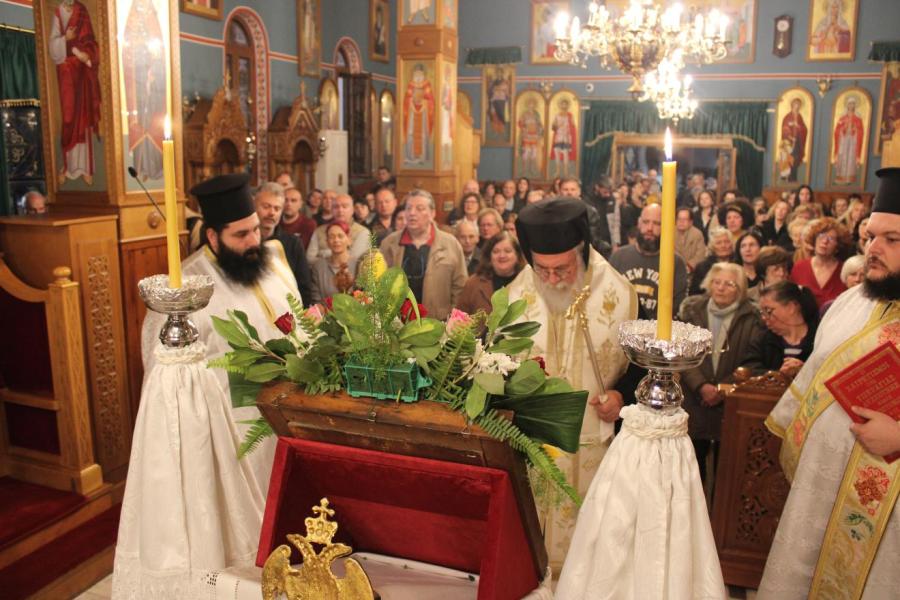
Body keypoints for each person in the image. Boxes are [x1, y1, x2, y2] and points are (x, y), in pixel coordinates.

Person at [758, 168, 900, 599]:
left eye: (891, 240)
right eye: (870, 236)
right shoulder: (851, 302)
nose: (873, 250)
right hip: (818, 493)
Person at [142, 174, 300, 494]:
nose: (253, 241)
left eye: (255, 229)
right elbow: (163, 377)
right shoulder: (185, 289)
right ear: (213, 237)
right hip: (230, 428)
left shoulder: (273, 263)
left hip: (287, 411)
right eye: (240, 234)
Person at [507, 197, 637, 571]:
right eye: (542, 269)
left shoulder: (621, 294)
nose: (551, 279)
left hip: (593, 445)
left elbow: (642, 368)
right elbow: (496, 359)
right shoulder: (515, 292)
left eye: (562, 269)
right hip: (531, 440)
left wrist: (621, 395)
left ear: (582, 252)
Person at [679, 263, 762, 485]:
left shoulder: (752, 316)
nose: (721, 288)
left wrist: (722, 389)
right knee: (691, 469)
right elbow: (682, 352)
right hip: (694, 400)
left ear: (740, 289)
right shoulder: (692, 310)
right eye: (716, 282)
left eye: (729, 284)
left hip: (731, 402)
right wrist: (701, 385)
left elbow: (753, 360)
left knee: (726, 473)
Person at [380, 189, 468, 320]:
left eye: (419, 209)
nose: (412, 213)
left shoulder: (450, 244)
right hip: (397, 322)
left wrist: (453, 320)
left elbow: (460, 287)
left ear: (432, 213)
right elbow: (380, 284)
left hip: (437, 321)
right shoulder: (389, 243)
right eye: (408, 208)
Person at [49, 0, 101, 186]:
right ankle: (67, 167)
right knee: (69, 117)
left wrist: (86, 55)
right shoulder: (58, 12)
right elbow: (52, 46)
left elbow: (90, 40)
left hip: (81, 72)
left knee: (83, 116)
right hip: (65, 72)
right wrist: (66, 39)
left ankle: (85, 168)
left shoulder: (81, 10)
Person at [609, 203, 688, 319]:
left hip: (657, 328)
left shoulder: (676, 263)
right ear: (639, 223)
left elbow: (676, 307)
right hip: (621, 326)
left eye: (657, 224)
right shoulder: (618, 257)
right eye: (646, 222)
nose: (650, 228)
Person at [254, 182, 314, 308]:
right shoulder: (245, 242)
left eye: (277, 208)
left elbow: (303, 287)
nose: (272, 213)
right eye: (266, 207)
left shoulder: (293, 243)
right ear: (254, 206)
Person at [743, 281, 818, 378]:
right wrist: (778, 375)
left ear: (791, 307)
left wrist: (804, 370)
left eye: (768, 311)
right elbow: (748, 371)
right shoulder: (762, 339)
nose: (764, 317)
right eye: (762, 312)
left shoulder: (819, 338)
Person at [455, 231, 525, 315]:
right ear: (489, 256)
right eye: (496, 251)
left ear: (517, 255)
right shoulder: (473, 283)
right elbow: (459, 318)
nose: (502, 255)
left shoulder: (528, 281)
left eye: (507, 251)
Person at [790, 217, 852, 307]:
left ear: (838, 246)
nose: (825, 241)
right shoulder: (799, 267)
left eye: (831, 238)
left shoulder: (844, 271)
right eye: (821, 236)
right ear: (814, 239)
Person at [305, 194, 371, 263]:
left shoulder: (363, 232)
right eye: (336, 207)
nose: (340, 210)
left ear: (352, 210)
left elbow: (354, 260)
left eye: (344, 207)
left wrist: (323, 253)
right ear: (331, 210)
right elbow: (309, 259)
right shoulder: (319, 230)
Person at [309, 221, 358, 304]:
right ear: (327, 241)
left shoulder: (358, 265)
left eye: (340, 236)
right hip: (325, 311)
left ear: (349, 239)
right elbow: (316, 300)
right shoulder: (318, 267)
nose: (336, 240)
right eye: (331, 237)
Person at [690, 228, 737, 296]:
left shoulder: (739, 264)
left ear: (732, 244)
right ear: (712, 247)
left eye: (727, 242)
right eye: (718, 243)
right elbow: (694, 295)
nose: (723, 246)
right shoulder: (702, 267)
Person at [675, 206, 707, 272]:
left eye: (685, 219)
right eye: (679, 219)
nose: (681, 222)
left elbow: (700, 255)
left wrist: (689, 267)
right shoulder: (669, 233)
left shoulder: (697, 234)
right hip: (673, 269)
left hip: (692, 271)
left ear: (691, 222)